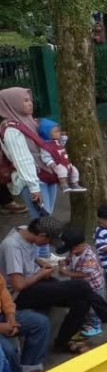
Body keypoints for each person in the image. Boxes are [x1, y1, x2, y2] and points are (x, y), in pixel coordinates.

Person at [0, 217, 107, 354]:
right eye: (49, 241)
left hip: (37, 281)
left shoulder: (26, 231)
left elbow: (27, 257)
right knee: (80, 286)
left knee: (82, 299)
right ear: (42, 235)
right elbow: (18, 285)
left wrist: (40, 263)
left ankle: (63, 342)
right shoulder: (12, 246)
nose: (49, 245)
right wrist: (41, 274)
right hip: (19, 294)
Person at [0, 87, 60, 253]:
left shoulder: (30, 122)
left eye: (30, 100)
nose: (30, 103)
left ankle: (45, 255)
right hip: (33, 179)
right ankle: (42, 256)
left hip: (46, 174)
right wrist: (34, 187)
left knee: (46, 216)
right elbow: (22, 160)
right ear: (12, 104)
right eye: (25, 101)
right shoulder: (11, 130)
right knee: (41, 220)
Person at [0, 270, 50, 372]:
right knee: (8, 351)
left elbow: (6, 299)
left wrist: (11, 319)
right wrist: (2, 328)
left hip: (3, 317)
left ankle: (29, 369)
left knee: (40, 323)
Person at [57, 226, 105, 337]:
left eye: (72, 249)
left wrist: (67, 273)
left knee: (93, 308)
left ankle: (96, 326)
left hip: (93, 286)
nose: (71, 252)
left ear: (80, 245)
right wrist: (65, 262)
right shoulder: (74, 252)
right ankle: (86, 323)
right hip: (81, 286)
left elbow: (85, 274)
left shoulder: (89, 257)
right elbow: (70, 259)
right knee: (84, 306)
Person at [36, 119, 86, 193]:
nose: (59, 133)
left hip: (66, 163)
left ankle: (74, 184)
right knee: (62, 171)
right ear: (47, 133)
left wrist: (63, 136)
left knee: (74, 171)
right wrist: (51, 163)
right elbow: (45, 156)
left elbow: (62, 143)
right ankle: (63, 185)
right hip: (57, 164)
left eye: (59, 131)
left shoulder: (58, 142)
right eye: (56, 132)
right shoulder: (46, 146)